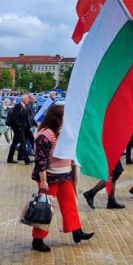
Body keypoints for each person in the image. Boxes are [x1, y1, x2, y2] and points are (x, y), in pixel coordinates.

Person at [30, 105, 94, 252]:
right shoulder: (45, 135)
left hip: (63, 176)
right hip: (50, 177)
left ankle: (76, 231)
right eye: (64, 117)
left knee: (69, 204)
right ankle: (37, 239)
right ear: (56, 118)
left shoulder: (60, 133)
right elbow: (40, 160)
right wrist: (43, 180)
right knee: (45, 209)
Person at [6, 95, 33, 164]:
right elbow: (14, 118)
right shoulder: (18, 106)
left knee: (14, 143)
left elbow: (27, 118)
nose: (28, 100)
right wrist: (19, 126)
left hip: (23, 128)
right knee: (23, 143)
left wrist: (29, 126)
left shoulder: (25, 107)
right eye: (27, 99)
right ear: (23, 99)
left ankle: (10, 158)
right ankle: (27, 160)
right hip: (18, 129)